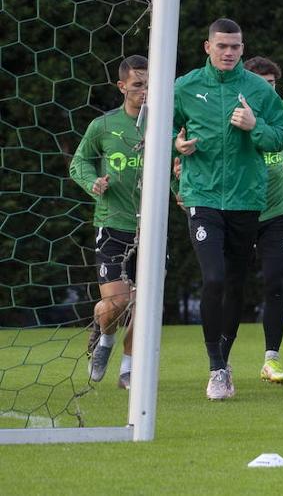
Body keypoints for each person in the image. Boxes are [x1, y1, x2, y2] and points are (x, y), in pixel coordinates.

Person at [174, 19, 283, 400]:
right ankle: (216, 369)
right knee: (214, 279)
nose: (228, 52)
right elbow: (158, 131)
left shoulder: (257, 89)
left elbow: (281, 136)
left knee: (236, 284)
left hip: (245, 200)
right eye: (222, 45)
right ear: (207, 47)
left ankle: (224, 359)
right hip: (202, 197)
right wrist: (177, 145)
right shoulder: (186, 87)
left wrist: (255, 126)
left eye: (235, 47)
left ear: (242, 49)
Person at [72, 55, 148, 390]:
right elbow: (79, 163)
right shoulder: (103, 126)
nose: (144, 91)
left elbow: (178, 165)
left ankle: (129, 369)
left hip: (152, 226)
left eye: (149, 85)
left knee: (146, 304)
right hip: (113, 224)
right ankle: (104, 340)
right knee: (118, 302)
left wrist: (179, 185)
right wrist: (93, 183)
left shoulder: (165, 125)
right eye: (137, 85)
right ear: (121, 87)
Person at [242, 56, 283, 385]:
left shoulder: (282, 126)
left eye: (272, 84)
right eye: (260, 83)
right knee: (225, 285)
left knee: (275, 283)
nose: (267, 90)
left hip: (276, 216)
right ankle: (219, 362)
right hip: (236, 214)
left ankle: (271, 359)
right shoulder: (232, 122)